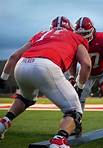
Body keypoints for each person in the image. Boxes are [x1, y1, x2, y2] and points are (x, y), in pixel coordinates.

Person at [0, 16, 92, 148]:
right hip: (46, 65)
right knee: (74, 111)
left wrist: (3, 78)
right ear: (70, 28)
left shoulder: (41, 34)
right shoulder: (75, 36)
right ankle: (59, 141)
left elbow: (14, 56)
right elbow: (87, 65)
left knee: (25, 99)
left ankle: (3, 123)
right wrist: (80, 87)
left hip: (22, 65)